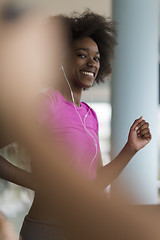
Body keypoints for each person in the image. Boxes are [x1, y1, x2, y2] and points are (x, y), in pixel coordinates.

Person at [0, 10, 152, 240]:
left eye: (97, 58)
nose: (92, 62)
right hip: (45, 230)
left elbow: (95, 182)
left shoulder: (90, 115)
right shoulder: (47, 102)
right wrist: (36, 182)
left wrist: (130, 149)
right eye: (82, 55)